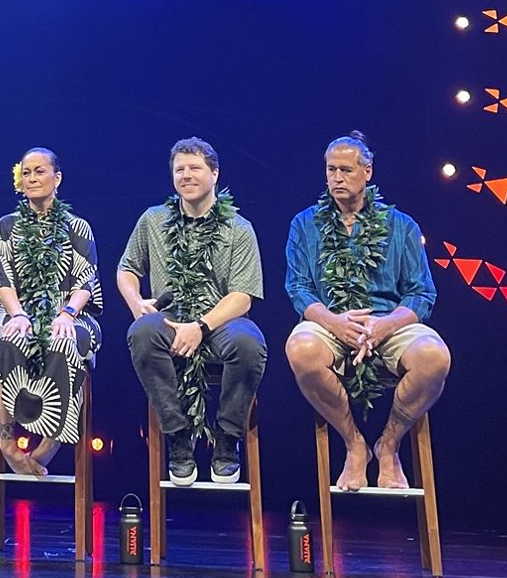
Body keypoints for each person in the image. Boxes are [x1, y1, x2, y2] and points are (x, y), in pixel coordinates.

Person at [284, 130, 450, 490]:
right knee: (300, 349)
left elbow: (422, 294)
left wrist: (384, 326)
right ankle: (354, 443)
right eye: (330, 170)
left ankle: (389, 445)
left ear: (368, 172)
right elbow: (297, 288)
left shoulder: (401, 225)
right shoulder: (304, 223)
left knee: (435, 356)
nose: (336, 178)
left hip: (388, 321)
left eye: (345, 170)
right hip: (330, 321)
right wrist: (334, 322)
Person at [119, 137, 266, 485]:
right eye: (179, 169)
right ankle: (178, 437)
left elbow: (244, 296)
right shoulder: (153, 220)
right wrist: (136, 301)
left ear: (214, 173)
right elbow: (126, 268)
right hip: (169, 320)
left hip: (220, 323)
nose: (186, 175)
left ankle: (227, 438)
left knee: (249, 343)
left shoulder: (239, 228)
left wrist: (200, 326)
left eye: (195, 168)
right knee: (140, 333)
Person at [0, 148, 102, 475]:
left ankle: (50, 443)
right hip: (16, 308)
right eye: (26, 172)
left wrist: (67, 313)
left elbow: (87, 281)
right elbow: (1, 278)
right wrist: (17, 314)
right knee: (6, 337)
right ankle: (6, 440)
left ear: (57, 178)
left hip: (69, 310)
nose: (31, 178)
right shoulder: (7, 226)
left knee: (65, 342)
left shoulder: (78, 227)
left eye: (39, 171)